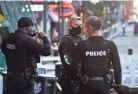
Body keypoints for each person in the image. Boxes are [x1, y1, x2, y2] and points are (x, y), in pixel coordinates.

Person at [70, 16, 122, 94]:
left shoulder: (82, 45)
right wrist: (117, 87)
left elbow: (73, 68)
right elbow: (117, 68)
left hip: (86, 87)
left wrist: (77, 81)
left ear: (90, 27)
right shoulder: (110, 45)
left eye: (85, 26)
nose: (84, 29)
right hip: (105, 86)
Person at [1, 17, 51, 94]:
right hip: (24, 81)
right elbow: (46, 51)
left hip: (10, 79)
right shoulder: (27, 40)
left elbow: (5, 51)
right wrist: (45, 38)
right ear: (28, 27)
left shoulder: (7, 39)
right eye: (32, 26)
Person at [58, 16, 83, 94]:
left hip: (82, 81)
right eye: (76, 25)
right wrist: (78, 70)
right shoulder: (65, 41)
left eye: (80, 25)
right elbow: (66, 62)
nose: (79, 27)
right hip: (70, 80)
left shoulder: (82, 40)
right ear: (70, 26)